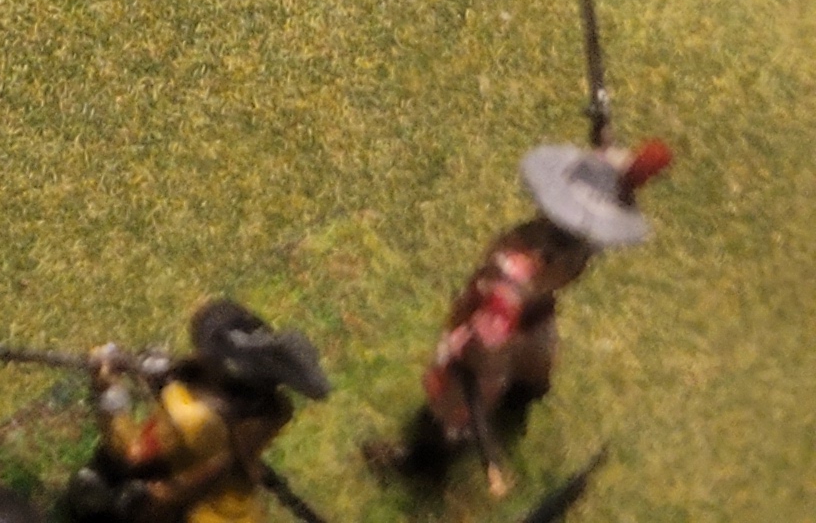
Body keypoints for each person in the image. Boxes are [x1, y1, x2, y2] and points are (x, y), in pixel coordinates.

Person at [382, 138, 673, 481]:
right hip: (491, 338)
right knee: (454, 407)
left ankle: (517, 402)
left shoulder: (572, 245)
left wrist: (630, 171)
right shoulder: (509, 285)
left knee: (533, 375)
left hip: (534, 318)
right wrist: (491, 460)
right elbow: (473, 372)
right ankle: (422, 459)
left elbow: (609, 169)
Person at [55, 300, 329, 523]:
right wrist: (162, 370)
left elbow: (129, 451)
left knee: (103, 484)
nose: (199, 354)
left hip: (192, 515)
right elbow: (188, 379)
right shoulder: (268, 408)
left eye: (208, 353)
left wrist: (108, 391)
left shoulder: (192, 420)